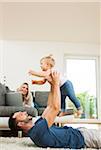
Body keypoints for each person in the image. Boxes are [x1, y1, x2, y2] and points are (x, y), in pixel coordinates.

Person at [9, 71, 101, 149]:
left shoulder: (36, 127)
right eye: (21, 114)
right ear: (20, 123)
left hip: (79, 132)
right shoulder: (38, 131)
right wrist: (56, 83)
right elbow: (56, 108)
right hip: (84, 138)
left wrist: (52, 85)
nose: (24, 112)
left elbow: (49, 106)